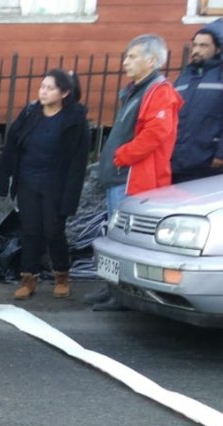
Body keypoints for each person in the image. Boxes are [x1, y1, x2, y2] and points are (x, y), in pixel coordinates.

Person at [89, 34, 183, 311]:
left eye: (132, 56)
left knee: (125, 241)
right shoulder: (137, 91)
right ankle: (113, 288)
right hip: (120, 177)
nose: (125, 62)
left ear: (151, 60)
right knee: (115, 238)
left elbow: (157, 132)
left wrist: (122, 156)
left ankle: (124, 293)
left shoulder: (159, 92)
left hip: (131, 180)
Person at [0, 70, 89, 300]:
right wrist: (2, 182)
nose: (43, 92)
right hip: (27, 182)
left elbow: (78, 163)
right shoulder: (30, 113)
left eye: (50, 88)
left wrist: (70, 199)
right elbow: (11, 146)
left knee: (53, 230)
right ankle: (28, 279)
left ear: (64, 93)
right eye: (42, 87)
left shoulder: (75, 120)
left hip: (55, 185)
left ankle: (61, 276)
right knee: (30, 231)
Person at [172, 19, 223, 184]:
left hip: (208, 164)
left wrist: (221, 154)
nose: (196, 50)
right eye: (195, 45)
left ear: (218, 49)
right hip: (176, 162)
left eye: (203, 46)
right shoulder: (184, 77)